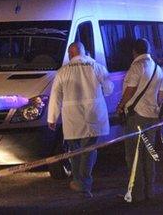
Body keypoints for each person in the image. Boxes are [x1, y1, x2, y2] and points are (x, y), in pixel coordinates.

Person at [47, 42, 114, 198]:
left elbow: (56, 96)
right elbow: (109, 89)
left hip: (72, 119)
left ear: (70, 54)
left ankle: (79, 181)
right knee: (89, 150)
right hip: (93, 116)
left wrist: (52, 118)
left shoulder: (62, 72)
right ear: (84, 53)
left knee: (75, 151)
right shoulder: (96, 67)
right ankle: (84, 182)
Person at [117, 38, 163, 203]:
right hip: (152, 117)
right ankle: (150, 191)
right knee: (149, 154)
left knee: (134, 156)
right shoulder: (158, 68)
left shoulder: (137, 66)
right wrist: (154, 106)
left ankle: (137, 194)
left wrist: (120, 105)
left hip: (136, 116)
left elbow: (130, 90)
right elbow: (161, 95)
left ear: (134, 51)